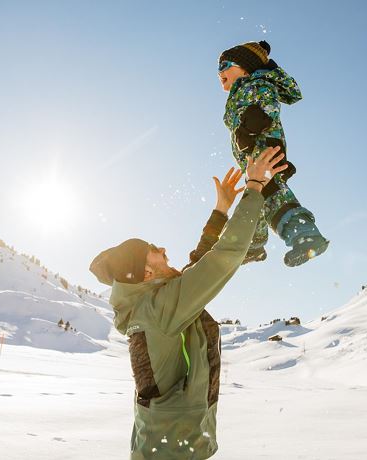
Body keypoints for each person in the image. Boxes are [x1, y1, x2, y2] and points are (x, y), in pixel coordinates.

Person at [89, 146, 286, 459]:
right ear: (146, 272)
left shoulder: (151, 304)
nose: (164, 247)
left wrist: (220, 212)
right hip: (174, 449)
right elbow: (221, 259)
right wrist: (255, 187)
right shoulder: (158, 308)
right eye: (154, 248)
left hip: (165, 443)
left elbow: (195, 265)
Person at [218, 40, 329, 267]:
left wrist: (248, 129)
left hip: (264, 151)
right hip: (254, 156)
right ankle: (255, 244)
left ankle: (305, 237)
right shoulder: (243, 89)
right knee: (259, 199)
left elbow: (267, 108)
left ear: (245, 66)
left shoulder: (257, 83)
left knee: (271, 195)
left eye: (224, 65)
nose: (219, 72)